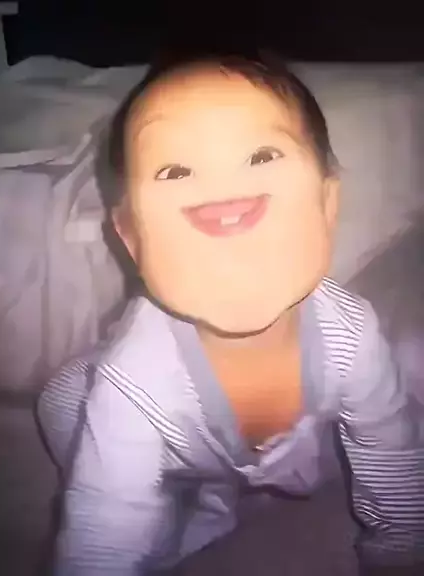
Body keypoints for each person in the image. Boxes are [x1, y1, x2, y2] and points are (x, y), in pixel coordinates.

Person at [38, 53, 424, 575]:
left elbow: (393, 452)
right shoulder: (136, 382)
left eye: (262, 156)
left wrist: (400, 550)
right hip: (148, 430)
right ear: (131, 240)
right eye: (176, 171)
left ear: (328, 204)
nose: (220, 187)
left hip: (258, 448)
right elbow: (103, 531)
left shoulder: (351, 336)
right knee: (72, 413)